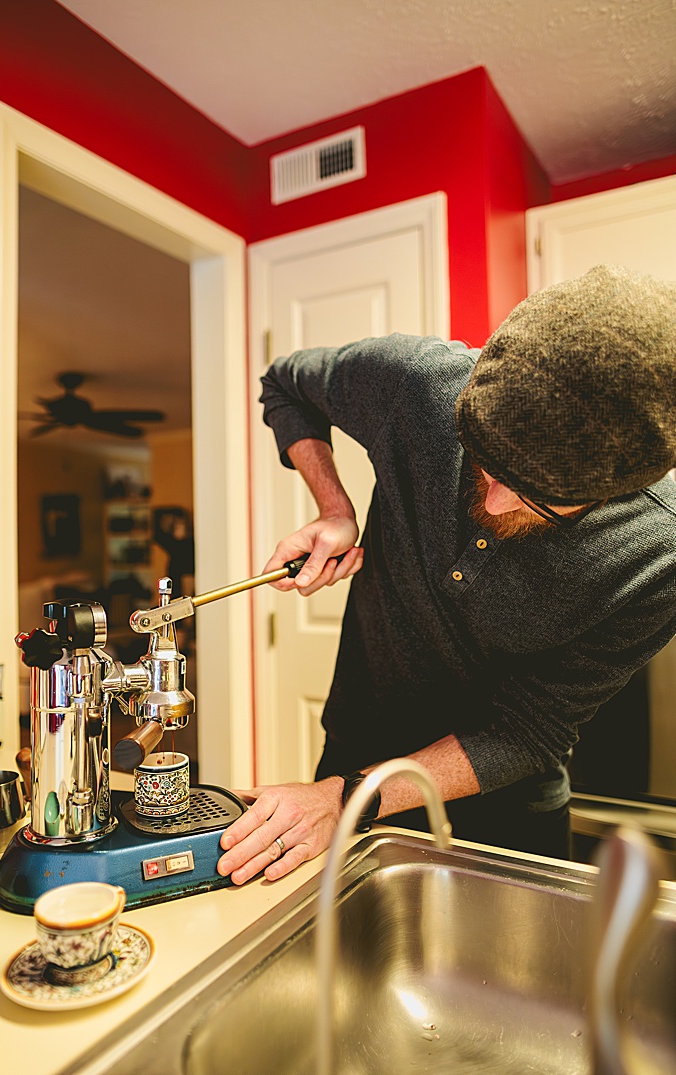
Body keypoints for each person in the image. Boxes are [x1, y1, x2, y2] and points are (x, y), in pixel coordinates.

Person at [216, 264, 676, 885]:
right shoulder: (422, 387)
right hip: (355, 752)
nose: (494, 504)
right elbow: (286, 385)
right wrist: (334, 506)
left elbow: (530, 728)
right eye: (486, 463)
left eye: (539, 499)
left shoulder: (659, 552)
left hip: (509, 796)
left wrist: (349, 797)